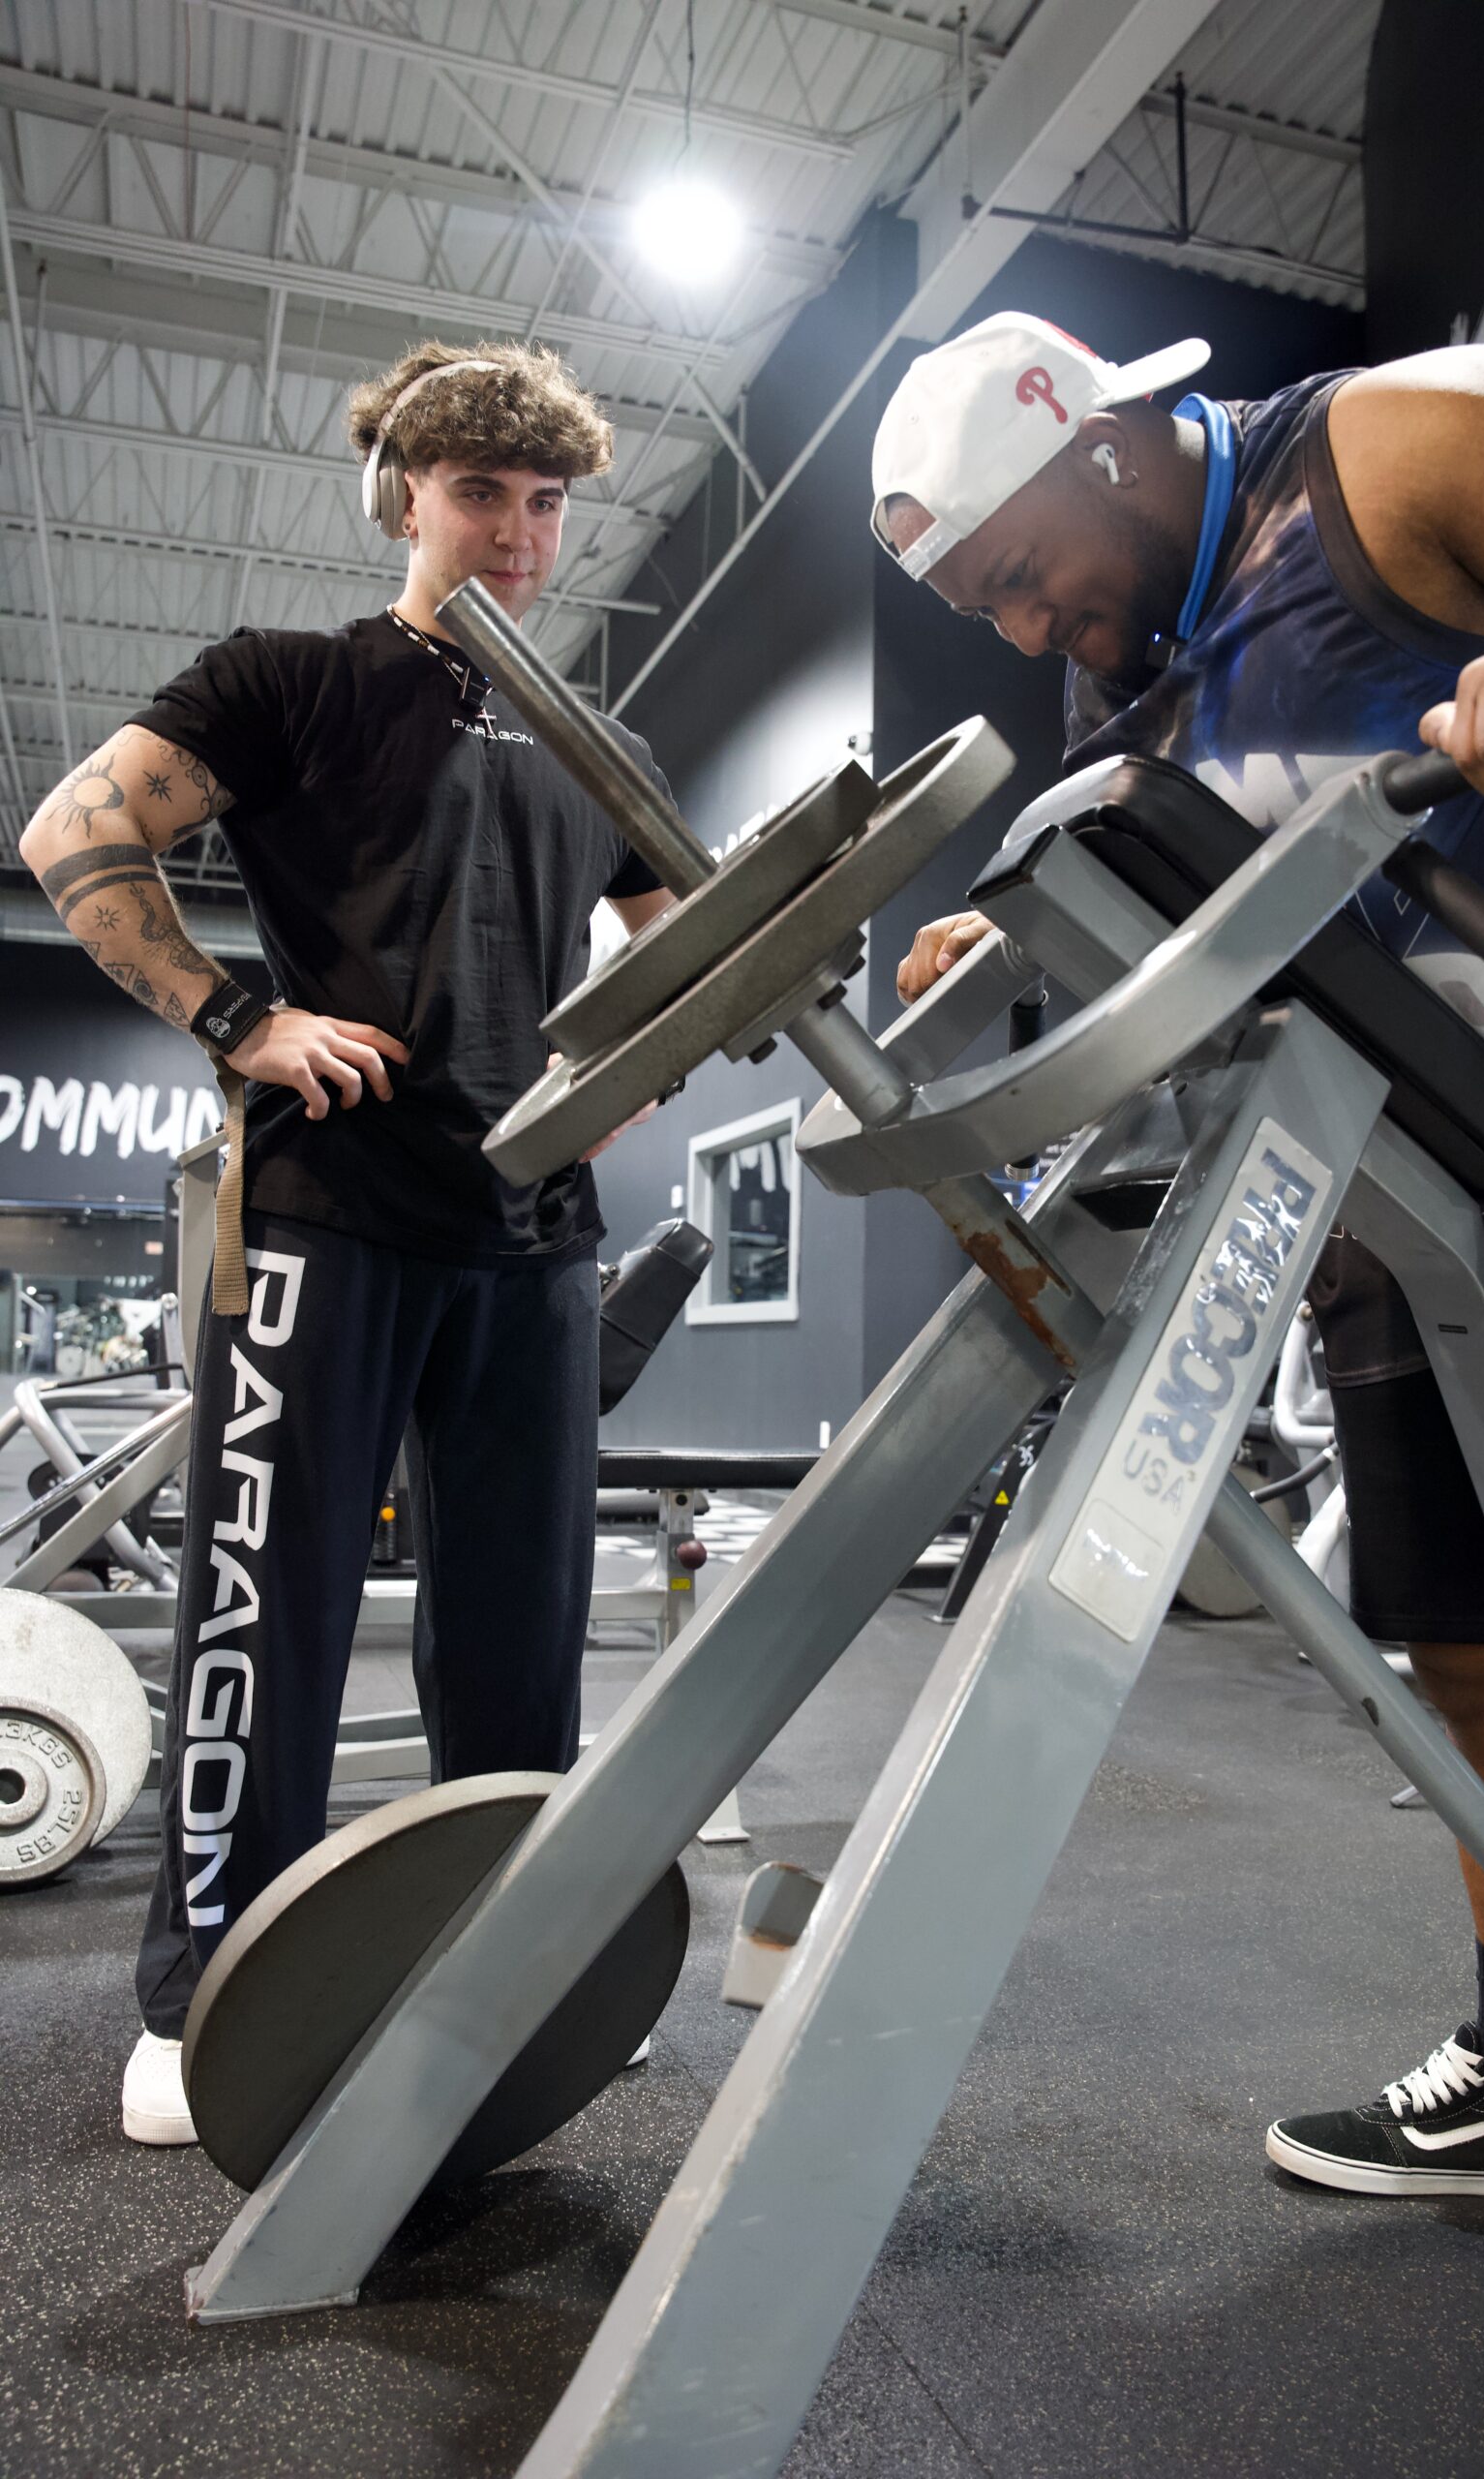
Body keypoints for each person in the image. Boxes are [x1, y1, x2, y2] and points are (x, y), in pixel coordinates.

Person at [874, 310, 1484, 2203]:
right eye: (983, 608)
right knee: (1468, 1641)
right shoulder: (1129, 685)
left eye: (1019, 571)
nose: (1023, 626)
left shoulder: (1392, 446)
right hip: (1396, 1220)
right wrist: (1014, 942)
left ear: (1098, 443)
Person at [18, 339, 675, 2146]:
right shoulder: (292, 681)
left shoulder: (593, 743)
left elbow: (683, 928)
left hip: (534, 1231)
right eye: (481, 494)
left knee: (522, 1638)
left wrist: (639, 1057)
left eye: (546, 503)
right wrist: (243, 1020)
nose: (519, 534)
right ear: (403, 495)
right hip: (327, 1217)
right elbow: (73, 834)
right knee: (270, 1613)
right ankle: (205, 1996)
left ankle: (517, 1963)